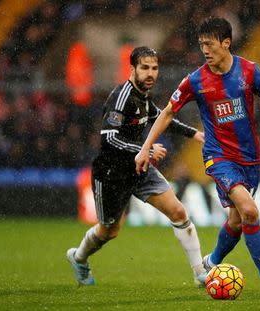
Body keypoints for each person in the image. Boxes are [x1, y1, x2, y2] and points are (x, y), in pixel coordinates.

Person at [135, 17, 260, 298]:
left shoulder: (249, 71)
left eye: (209, 44)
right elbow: (167, 112)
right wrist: (145, 147)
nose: (204, 49)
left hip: (249, 159)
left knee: (237, 222)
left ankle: (211, 262)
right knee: (250, 211)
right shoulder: (195, 80)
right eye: (201, 44)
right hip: (218, 157)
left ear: (226, 43)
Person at [67, 46, 208, 287]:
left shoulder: (144, 95)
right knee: (108, 231)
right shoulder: (122, 97)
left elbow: (161, 117)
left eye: (154, 68)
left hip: (139, 168)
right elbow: (109, 138)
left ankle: (199, 274)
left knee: (178, 212)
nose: (150, 73)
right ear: (132, 69)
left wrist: (194, 134)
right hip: (111, 173)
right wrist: (147, 149)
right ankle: (78, 257)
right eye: (145, 68)